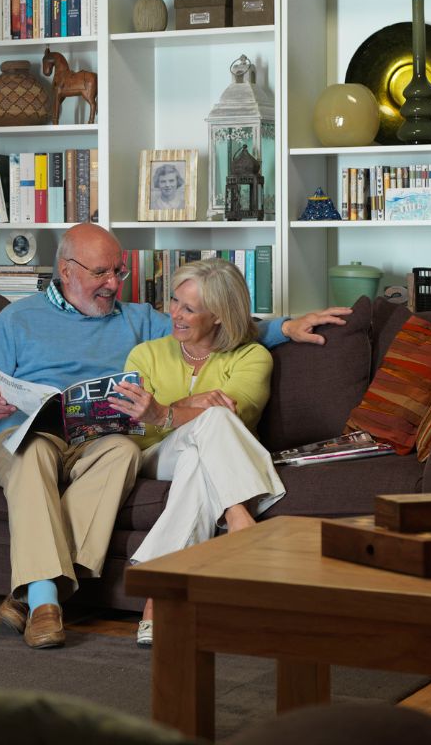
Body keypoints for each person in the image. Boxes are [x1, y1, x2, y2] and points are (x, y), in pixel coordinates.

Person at [0, 223, 349, 649]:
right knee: (33, 452)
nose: (113, 285)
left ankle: (36, 586)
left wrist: (286, 328)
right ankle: (43, 598)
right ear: (67, 270)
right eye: (101, 274)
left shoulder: (138, 321)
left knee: (123, 450)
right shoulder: (18, 318)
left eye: (118, 273)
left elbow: (217, 326)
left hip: (92, 437)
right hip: (23, 432)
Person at [107, 258, 286, 649]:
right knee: (208, 424)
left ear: (219, 315)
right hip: (157, 456)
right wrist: (179, 409)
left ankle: (159, 594)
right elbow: (137, 433)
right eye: (173, 301)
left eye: (188, 308)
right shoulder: (145, 355)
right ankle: (239, 518)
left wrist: (165, 411)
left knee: (206, 441)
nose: (174, 314)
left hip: (205, 457)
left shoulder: (252, 357)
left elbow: (236, 416)